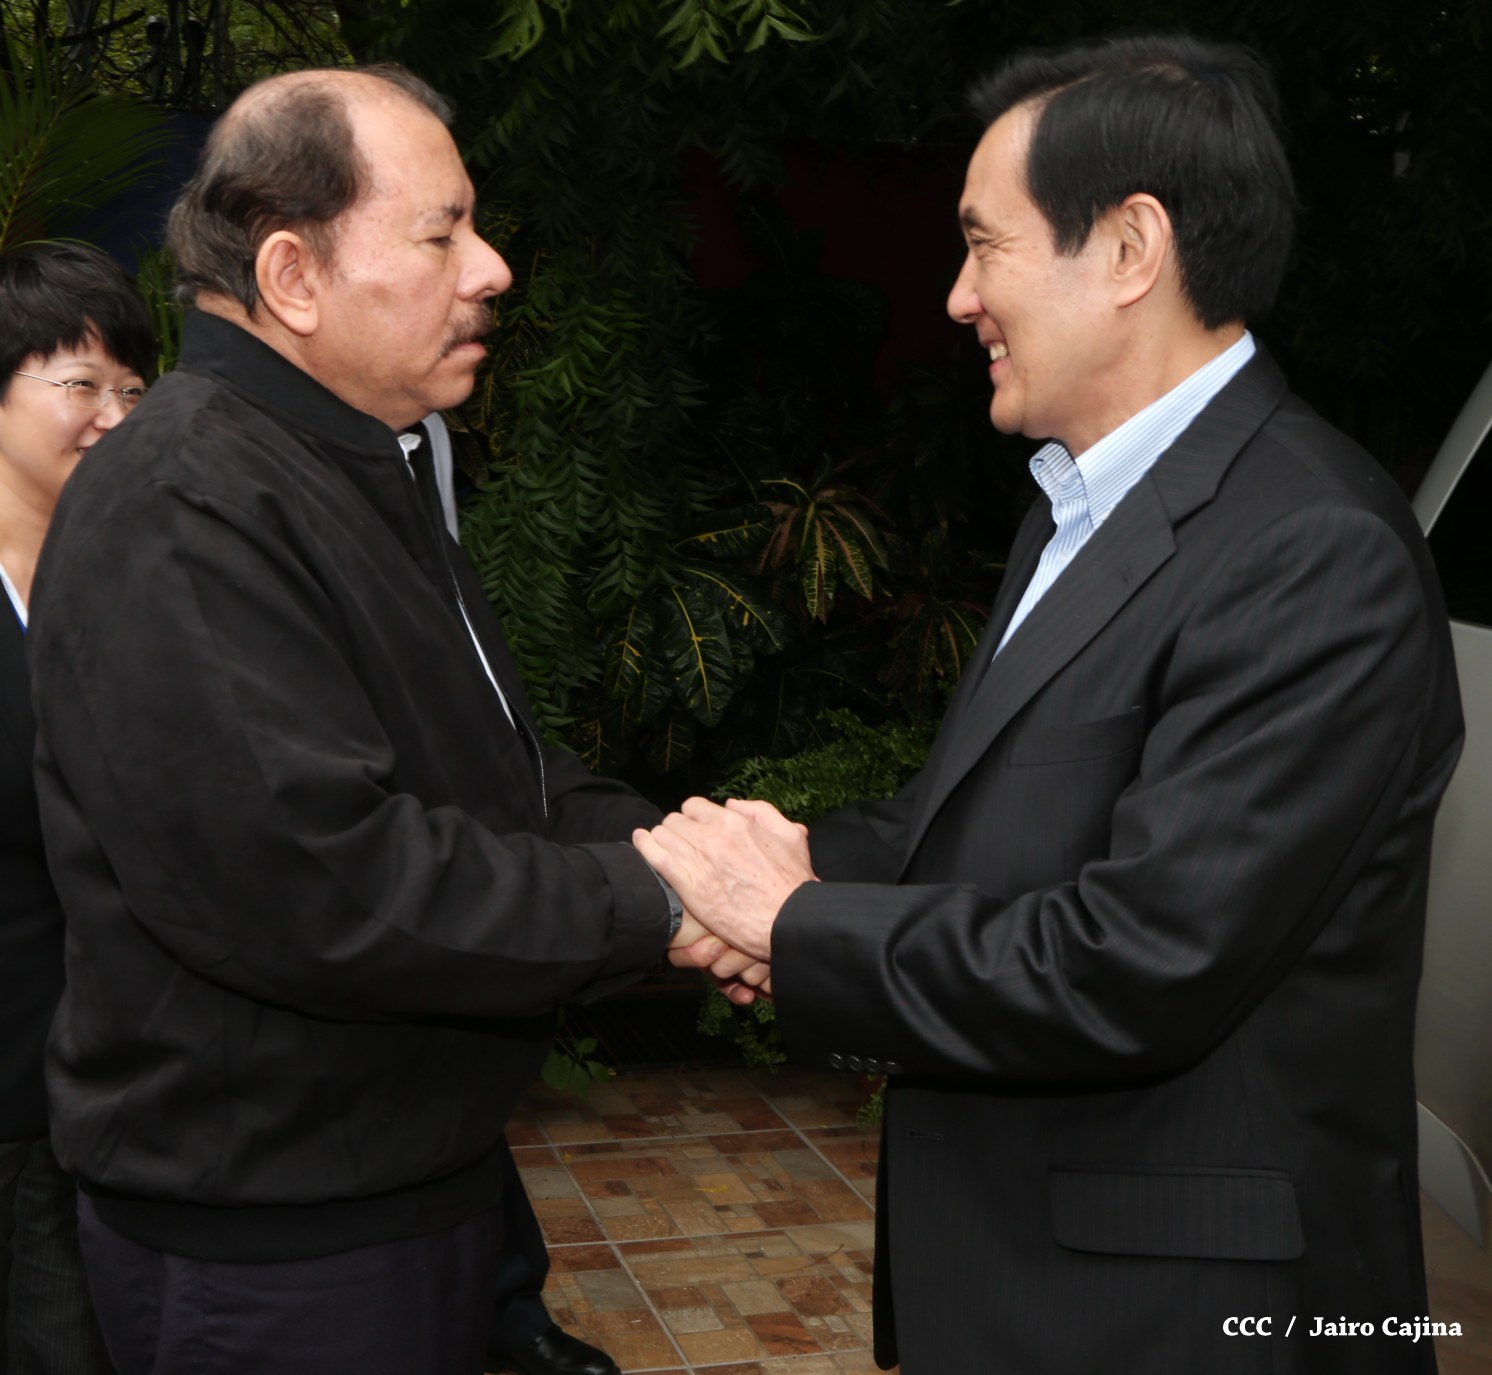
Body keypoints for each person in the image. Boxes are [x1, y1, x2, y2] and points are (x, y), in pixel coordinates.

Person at [640, 33, 1464, 1375]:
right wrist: (762, 867)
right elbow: (969, 826)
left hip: (1184, 1320)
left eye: (984, 245)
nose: (958, 295)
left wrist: (790, 922)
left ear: (1131, 249)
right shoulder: (1083, 505)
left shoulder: (1313, 546)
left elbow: (1139, 964)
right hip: (1036, 1278)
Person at [27, 67, 685, 1375]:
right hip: (277, 1251)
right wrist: (662, 901)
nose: (491, 268)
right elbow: (321, 881)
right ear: (293, 274)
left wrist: (702, 850)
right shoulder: (186, 500)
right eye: (442, 233)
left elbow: (491, 773)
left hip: (406, 1184)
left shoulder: (350, 462)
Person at [0, 241, 149, 1375]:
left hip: (104, 1074)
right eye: (81, 384)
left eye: (133, 391)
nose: (113, 417)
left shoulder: (142, 575)